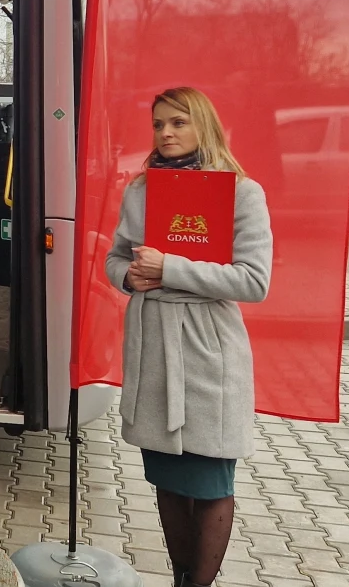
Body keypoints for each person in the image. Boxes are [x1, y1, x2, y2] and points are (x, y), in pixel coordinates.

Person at [106, 87, 273, 587]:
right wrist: (126, 276)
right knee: (168, 479)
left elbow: (254, 281)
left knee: (211, 481)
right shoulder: (140, 190)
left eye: (178, 122)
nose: (166, 133)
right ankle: (181, 578)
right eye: (158, 124)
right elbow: (116, 256)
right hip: (153, 348)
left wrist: (170, 269)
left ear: (204, 125)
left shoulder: (242, 192)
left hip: (207, 351)